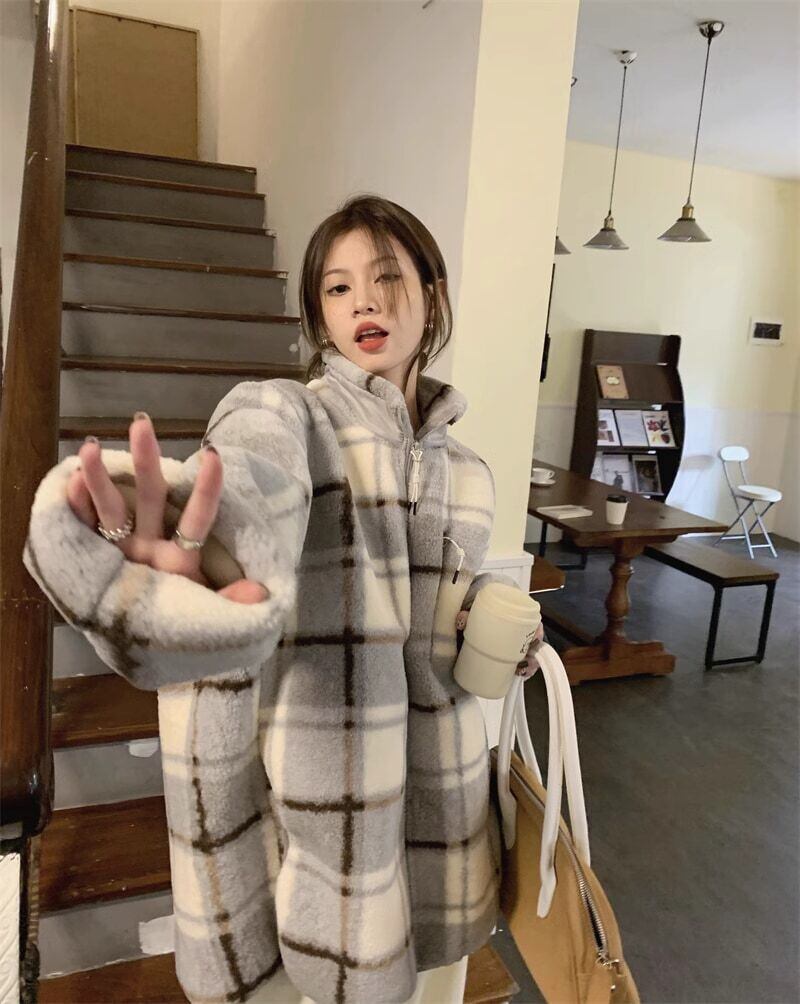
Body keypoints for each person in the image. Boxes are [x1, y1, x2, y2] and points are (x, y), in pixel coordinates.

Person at [23, 194, 543, 1004]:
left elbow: (433, 628)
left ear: (433, 293)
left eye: (386, 277)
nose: (364, 302)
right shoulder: (286, 411)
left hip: (446, 818)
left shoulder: (471, 473)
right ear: (318, 314)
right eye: (338, 288)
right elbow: (252, 484)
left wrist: (483, 616)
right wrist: (203, 562)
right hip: (324, 836)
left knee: (439, 984)